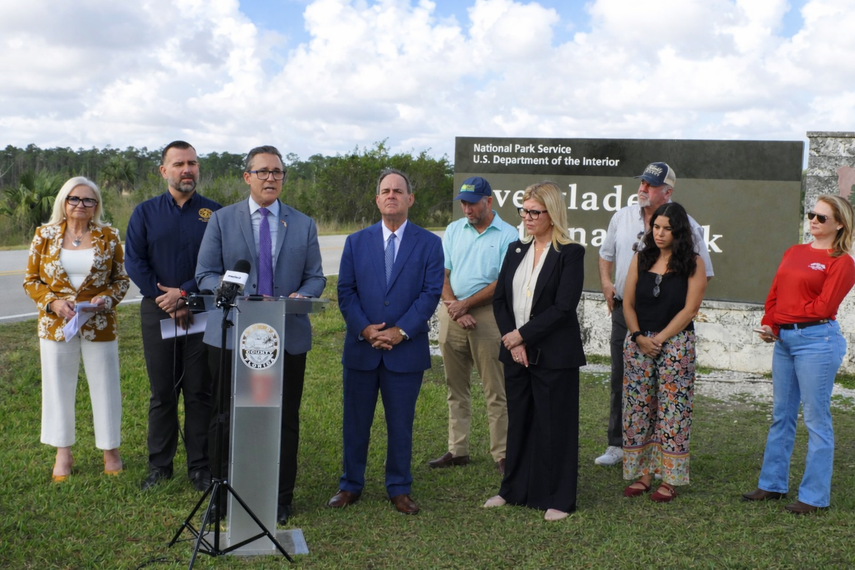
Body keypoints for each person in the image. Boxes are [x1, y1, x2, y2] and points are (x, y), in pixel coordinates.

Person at [196, 145, 326, 525]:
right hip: (232, 335)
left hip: (284, 336)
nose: (271, 178)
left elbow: (316, 275)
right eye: (264, 171)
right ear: (247, 177)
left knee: (283, 417)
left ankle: (280, 497)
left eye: (278, 172)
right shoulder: (221, 220)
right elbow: (204, 273)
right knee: (225, 415)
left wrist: (304, 294)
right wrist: (229, 289)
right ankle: (222, 492)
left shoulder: (302, 224)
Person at [330, 168, 443, 515]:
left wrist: (401, 330)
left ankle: (399, 488)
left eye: (398, 190)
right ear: (377, 199)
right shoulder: (355, 241)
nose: (391, 195)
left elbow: (430, 293)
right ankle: (350, 485)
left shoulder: (429, 243)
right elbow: (345, 291)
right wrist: (365, 330)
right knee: (355, 422)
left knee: (401, 424)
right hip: (362, 349)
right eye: (385, 190)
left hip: (404, 351)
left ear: (410, 199)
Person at [743, 195, 855, 514]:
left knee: (816, 419)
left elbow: (824, 307)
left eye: (821, 218)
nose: (813, 221)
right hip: (784, 341)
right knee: (782, 414)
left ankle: (814, 497)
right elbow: (775, 293)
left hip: (818, 341)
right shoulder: (794, 252)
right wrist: (771, 325)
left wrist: (783, 320)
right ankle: (772, 484)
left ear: (840, 225)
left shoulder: (842, 262)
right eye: (811, 215)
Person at [597, 162, 714, 467]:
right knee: (623, 380)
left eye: (650, 185)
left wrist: (665, 323)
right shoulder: (621, 217)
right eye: (642, 182)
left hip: (669, 324)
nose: (643, 188)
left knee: (669, 397)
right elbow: (605, 254)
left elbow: (701, 277)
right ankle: (618, 445)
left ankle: (665, 459)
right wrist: (607, 283)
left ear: (667, 192)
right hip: (628, 311)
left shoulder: (689, 225)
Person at [483, 181, 586, 521]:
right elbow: (500, 301)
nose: (527, 217)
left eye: (534, 212)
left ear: (552, 214)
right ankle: (512, 490)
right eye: (524, 211)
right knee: (520, 423)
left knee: (555, 425)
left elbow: (563, 307)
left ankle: (559, 498)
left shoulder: (571, 253)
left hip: (554, 356)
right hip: (516, 354)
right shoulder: (515, 249)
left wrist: (522, 337)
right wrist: (512, 340)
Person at [125, 141, 222, 492]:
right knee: (162, 392)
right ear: (163, 170)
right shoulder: (145, 213)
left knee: (199, 390)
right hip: (157, 311)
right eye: (179, 163)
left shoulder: (215, 213)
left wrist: (183, 293)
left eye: (193, 163)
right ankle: (159, 466)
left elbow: (219, 262)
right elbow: (134, 261)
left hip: (200, 310)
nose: (187, 169)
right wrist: (162, 296)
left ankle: (200, 467)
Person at [23, 176, 129, 482]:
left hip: (98, 323)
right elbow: (31, 280)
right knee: (58, 387)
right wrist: (53, 303)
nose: (81, 205)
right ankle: (63, 453)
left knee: (106, 386)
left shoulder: (109, 236)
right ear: (63, 202)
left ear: (96, 205)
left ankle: (111, 451)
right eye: (74, 199)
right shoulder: (44, 235)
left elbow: (121, 280)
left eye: (89, 200)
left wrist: (107, 298)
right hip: (57, 325)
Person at [428, 176, 517, 474]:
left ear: (488, 202)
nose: (467, 208)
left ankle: (502, 453)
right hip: (453, 313)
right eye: (463, 202)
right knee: (456, 386)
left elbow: (502, 282)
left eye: (473, 202)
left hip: (489, 316)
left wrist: (466, 305)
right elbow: (442, 273)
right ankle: (458, 449)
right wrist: (456, 308)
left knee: (495, 388)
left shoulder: (508, 234)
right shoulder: (454, 230)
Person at [621, 202, 706, 503]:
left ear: (679, 231)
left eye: (666, 228)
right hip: (638, 343)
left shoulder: (693, 263)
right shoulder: (641, 259)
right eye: (656, 227)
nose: (659, 233)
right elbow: (628, 303)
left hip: (676, 344)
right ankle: (644, 475)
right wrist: (638, 337)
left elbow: (690, 309)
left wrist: (660, 339)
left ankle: (669, 478)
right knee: (639, 409)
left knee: (673, 411)